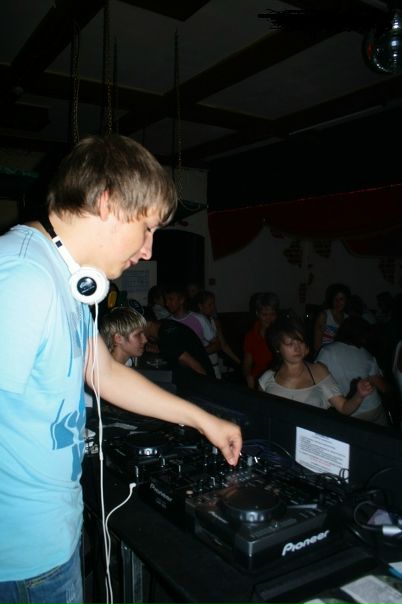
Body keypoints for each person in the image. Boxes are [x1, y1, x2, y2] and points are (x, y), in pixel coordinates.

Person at [0, 134, 241, 604]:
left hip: (47, 543)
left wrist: (203, 420)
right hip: (20, 562)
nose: (148, 250)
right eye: (146, 228)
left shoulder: (63, 278)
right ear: (108, 203)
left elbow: (104, 373)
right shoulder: (24, 277)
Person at [258, 314, 373, 415]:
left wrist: (359, 395)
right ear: (277, 348)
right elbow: (258, 411)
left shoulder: (318, 371)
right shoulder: (268, 377)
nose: (297, 348)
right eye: (290, 344)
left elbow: (344, 408)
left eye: (300, 342)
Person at [316, 316, 390, 426]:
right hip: (374, 406)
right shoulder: (366, 353)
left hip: (351, 411)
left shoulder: (327, 351)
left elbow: (316, 377)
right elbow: (382, 387)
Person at [144, 315, 216, 383]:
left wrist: (210, 384)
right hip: (203, 372)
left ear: (149, 323)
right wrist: (159, 350)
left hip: (202, 379)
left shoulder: (167, 336)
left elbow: (190, 362)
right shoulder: (166, 324)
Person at [193, 290, 241, 378]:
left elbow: (223, 345)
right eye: (210, 304)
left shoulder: (213, 321)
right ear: (200, 306)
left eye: (213, 304)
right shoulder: (194, 322)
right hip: (200, 367)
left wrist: (239, 362)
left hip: (214, 366)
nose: (213, 307)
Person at [243, 292, 279, 389]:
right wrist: (248, 376)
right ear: (257, 314)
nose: (269, 318)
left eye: (272, 314)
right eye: (264, 314)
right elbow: (247, 365)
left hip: (278, 380)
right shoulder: (251, 336)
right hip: (258, 380)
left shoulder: (282, 334)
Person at [313, 283, 350, 354]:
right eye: (335, 299)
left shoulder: (348, 319)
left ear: (346, 300)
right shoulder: (324, 316)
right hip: (324, 356)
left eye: (341, 299)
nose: (337, 302)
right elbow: (317, 346)